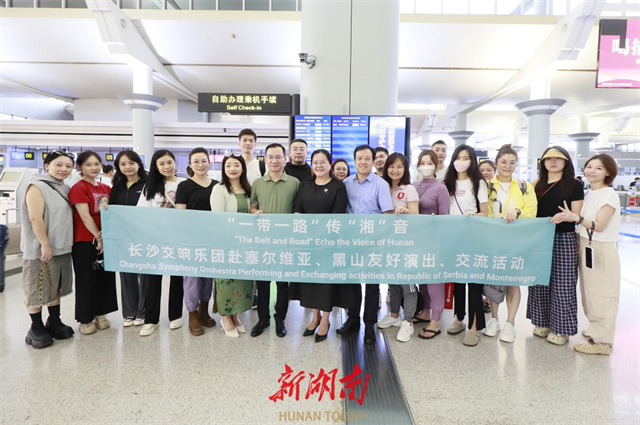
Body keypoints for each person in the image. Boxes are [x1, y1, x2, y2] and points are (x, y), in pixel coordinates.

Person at [555, 154, 621, 355]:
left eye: (598, 168)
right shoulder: (592, 192)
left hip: (601, 247)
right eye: (589, 166)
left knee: (602, 294)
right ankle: (596, 331)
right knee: (590, 293)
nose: (592, 171)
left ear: (608, 172)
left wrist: (575, 218)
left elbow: (599, 226)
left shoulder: (609, 195)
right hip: (587, 245)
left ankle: (602, 342)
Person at [289, 149, 354, 343]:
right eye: (315, 162)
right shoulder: (305, 184)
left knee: (326, 283)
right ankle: (315, 316)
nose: (319, 165)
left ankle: (325, 319)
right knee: (311, 282)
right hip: (308, 243)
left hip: (329, 242)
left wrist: (319, 234)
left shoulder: (338, 186)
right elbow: (297, 210)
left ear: (329, 164)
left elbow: (337, 215)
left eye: (322, 162)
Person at [527, 146, 584, 346]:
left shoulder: (574, 184)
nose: (553, 161)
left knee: (563, 284)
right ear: (542, 162)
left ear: (566, 161)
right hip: (539, 238)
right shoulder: (536, 184)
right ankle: (541, 322)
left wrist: (569, 216)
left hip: (564, 237)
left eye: (558, 158)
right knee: (539, 281)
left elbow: (576, 214)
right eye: (548, 158)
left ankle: (561, 329)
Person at [338, 145, 394, 345]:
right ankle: (352, 318)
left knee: (372, 283)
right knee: (351, 281)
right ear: (354, 161)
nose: (363, 162)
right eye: (359, 158)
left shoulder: (380, 184)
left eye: (367, 158)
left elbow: (387, 214)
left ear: (373, 161)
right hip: (351, 240)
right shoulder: (346, 183)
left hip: (373, 241)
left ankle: (369, 323)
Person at [21, 150, 76, 348]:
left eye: (68, 166)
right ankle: (35, 327)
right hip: (41, 249)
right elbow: (35, 218)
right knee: (37, 287)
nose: (63, 169)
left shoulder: (65, 188)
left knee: (56, 285)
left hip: (62, 247)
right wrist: (45, 244)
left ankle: (54, 321)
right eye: (58, 165)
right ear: (47, 166)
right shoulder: (37, 186)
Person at [484, 144, 537, 343]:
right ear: (496, 163)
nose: (508, 166)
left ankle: (510, 323)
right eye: (504, 162)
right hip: (492, 240)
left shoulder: (524, 187)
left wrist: (518, 212)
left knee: (513, 280)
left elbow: (532, 212)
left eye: (512, 163)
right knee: (493, 280)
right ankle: (494, 320)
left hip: (516, 240)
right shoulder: (486, 186)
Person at [250, 143, 300, 338]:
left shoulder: (294, 183)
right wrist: (255, 212)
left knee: (282, 284)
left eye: (278, 156)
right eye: (270, 157)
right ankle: (263, 319)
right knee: (262, 283)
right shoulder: (257, 183)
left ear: (285, 159)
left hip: (285, 241)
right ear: (265, 159)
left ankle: (280, 319)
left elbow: (298, 209)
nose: (274, 160)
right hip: (262, 240)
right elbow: (252, 206)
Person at [68, 151, 118, 335]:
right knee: (86, 279)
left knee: (105, 277)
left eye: (96, 164)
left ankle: (101, 313)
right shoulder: (79, 188)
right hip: (85, 239)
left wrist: (106, 237)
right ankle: (86, 318)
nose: (93, 168)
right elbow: (84, 215)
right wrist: (98, 237)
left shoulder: (106, 188)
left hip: (106, 239)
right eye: (88, 164)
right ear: (80, 167)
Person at [136, 149, 186, 336]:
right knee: (153, 280)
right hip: (155, 240)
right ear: (156, 167)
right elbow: (141, 214)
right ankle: (151, 320)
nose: (167, 167)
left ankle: (175, 316)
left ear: (175, 162)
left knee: (177, 278)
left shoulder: (183, 183)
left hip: (178, 239)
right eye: (162, 164)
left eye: (169, 162)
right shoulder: (149, 187)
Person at [444, 144, 488, 346]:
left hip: (473, 237)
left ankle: (474, 327)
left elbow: (485, 212)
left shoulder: (478, 184)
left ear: (472, 161)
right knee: (458, 281)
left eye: (466, 158)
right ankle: (459, 318)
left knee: (474, 282)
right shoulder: (447, 183)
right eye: (458, 157)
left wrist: (473, 215)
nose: (461, 161)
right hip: (453, 238)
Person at [176, 147, 219, 336]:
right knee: (192, 277)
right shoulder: (185, 186)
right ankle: (192, 314)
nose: (200, 165)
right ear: (190, 164)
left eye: (203, 161)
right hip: (191, 239)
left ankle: (204, 309)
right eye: (196, 161)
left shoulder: (217, 185)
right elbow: (181, 215)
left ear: (209, 162)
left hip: (212, 238)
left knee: (208, 276)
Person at [210, 155, 254, 338]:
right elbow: (218, 218)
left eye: (236, 165)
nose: (232, 168)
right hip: (226, 243)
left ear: (243, 168)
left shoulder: (249, 189)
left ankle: (235, 315)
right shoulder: (219, 189)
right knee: (226, 280)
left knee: (241, 280)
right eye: (228, 165)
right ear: (224, 169)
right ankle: (225, 318)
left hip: (245, 244)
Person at [377, 153, 419, 342]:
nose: (395, 170)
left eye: (399, 166)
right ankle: (394, 316)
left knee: (407, 283)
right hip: (388, 242)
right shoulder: (382, 187)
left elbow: (416, 215)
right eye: (391, 166)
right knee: (393, 281)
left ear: (405, 169)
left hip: (406, 243)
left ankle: (408, 321)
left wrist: (405, 210)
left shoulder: (409, 188)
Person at [411, 150, 450, 339]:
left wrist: (435, 221)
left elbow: (445, 217)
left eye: (429, 163)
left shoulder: (441, 188)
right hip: (417, 239)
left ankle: (435, 320)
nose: (425, 166)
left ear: (436, 166)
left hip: (434, 240)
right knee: (423, 279)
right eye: (422, 163)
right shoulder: (413, 186)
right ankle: (425, 311)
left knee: (434, 280)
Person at [109, 150, 149, 328]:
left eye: (131, 163)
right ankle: (130, 312)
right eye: (123, 164)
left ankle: (143, 311)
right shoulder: (117, 186)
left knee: (145, 274)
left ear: (138, 164)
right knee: (126, 274)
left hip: (144, 236)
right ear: (118, 166)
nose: (128, 167)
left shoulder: (148, 183)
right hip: (122, 237)